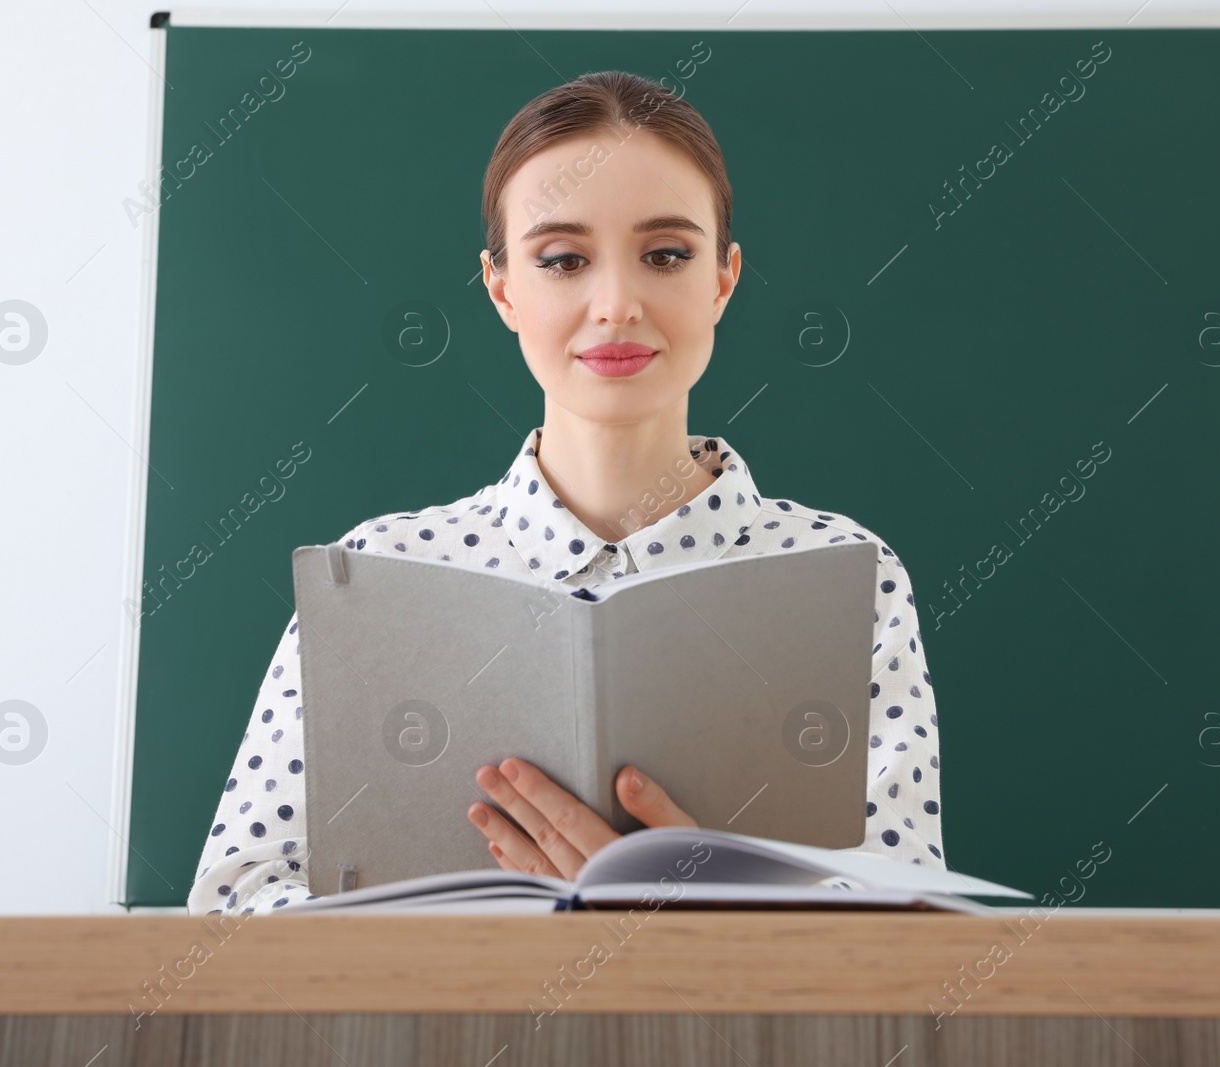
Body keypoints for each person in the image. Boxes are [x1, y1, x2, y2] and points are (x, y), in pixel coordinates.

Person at [186, 71, 943, 916]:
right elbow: (233, 904)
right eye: (562, 260)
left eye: (665, 254)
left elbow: (906, 929)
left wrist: (690, 912)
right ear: (503, 287)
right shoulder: (374, 574)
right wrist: (499, 935)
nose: (616, 304)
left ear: (724, 278)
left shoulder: (844, 575)